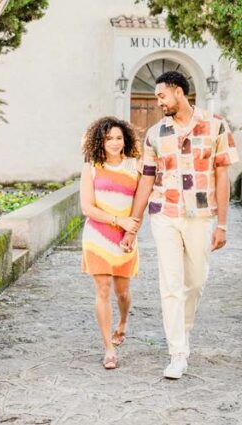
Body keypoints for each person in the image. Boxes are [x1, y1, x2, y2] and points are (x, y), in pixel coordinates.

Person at [121, 70, 239, 379]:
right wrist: (133, 225)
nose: (158, 102)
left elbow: (223, 176)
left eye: (161, 95)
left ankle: (182, 332)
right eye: (157, 97)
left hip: (200, 216)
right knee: (170, 284)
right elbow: (146, 180)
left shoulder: (216, 126)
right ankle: (177, 352)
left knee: (196, 282)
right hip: (164, 214)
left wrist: (223, 225)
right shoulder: (155, 134)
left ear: (177, 92)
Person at [79, 116, 141, 370]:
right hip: (97, 236)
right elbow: (87, 207)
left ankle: (123, 323)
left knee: (122, 292)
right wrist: (118, 220)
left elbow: (140, 205)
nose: (114, 143)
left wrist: (131, 232)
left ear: (125, 139)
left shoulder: (135, 166)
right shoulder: (91, 167)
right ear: (100, 142)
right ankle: (108, 348)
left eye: (118, 137)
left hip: (125, 238)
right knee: (102, 289)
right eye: (109, 139)